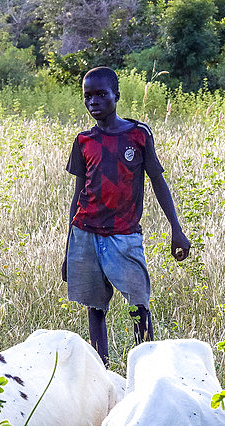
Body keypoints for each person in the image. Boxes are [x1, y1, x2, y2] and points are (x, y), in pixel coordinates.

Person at [62, 66, 191, 366]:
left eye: (100, 94)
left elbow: (158, 181)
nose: (93, 101)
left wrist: (177, 229)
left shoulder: (138, 135)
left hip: (125, 235)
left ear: (116, 96)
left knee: (139, 305)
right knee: (95, 308)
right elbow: (77, 196)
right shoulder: (84, 141)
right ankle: (102, 371)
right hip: (86, 234)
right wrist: (69, 248)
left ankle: (145, 368)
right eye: (87, 96)